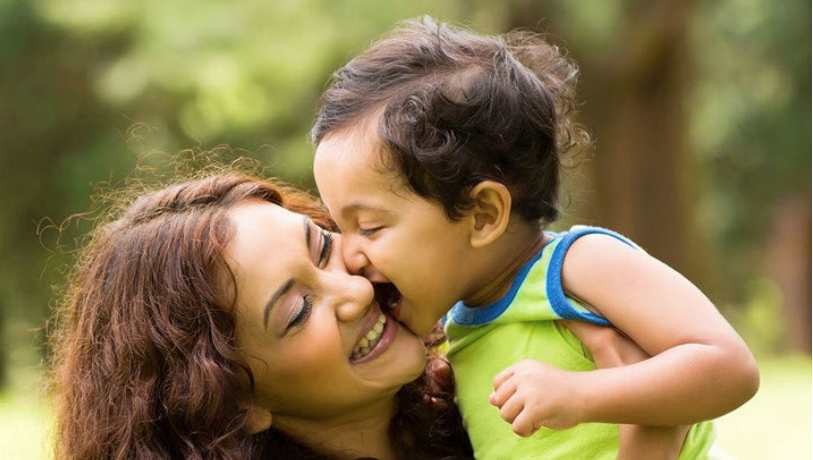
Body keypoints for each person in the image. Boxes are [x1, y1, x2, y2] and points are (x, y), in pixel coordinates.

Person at [311, 16, 760, 460]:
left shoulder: (575, 267)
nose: (348, 254)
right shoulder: (460, 327)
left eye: (368, 227)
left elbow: (728, 365)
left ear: (483, 214)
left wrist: (581, 393)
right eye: (338, 227)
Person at [49, 171, 474, 460]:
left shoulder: (488, 380)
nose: (358, 290)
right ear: (232, 401)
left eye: (324, 248)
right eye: (298, 311)